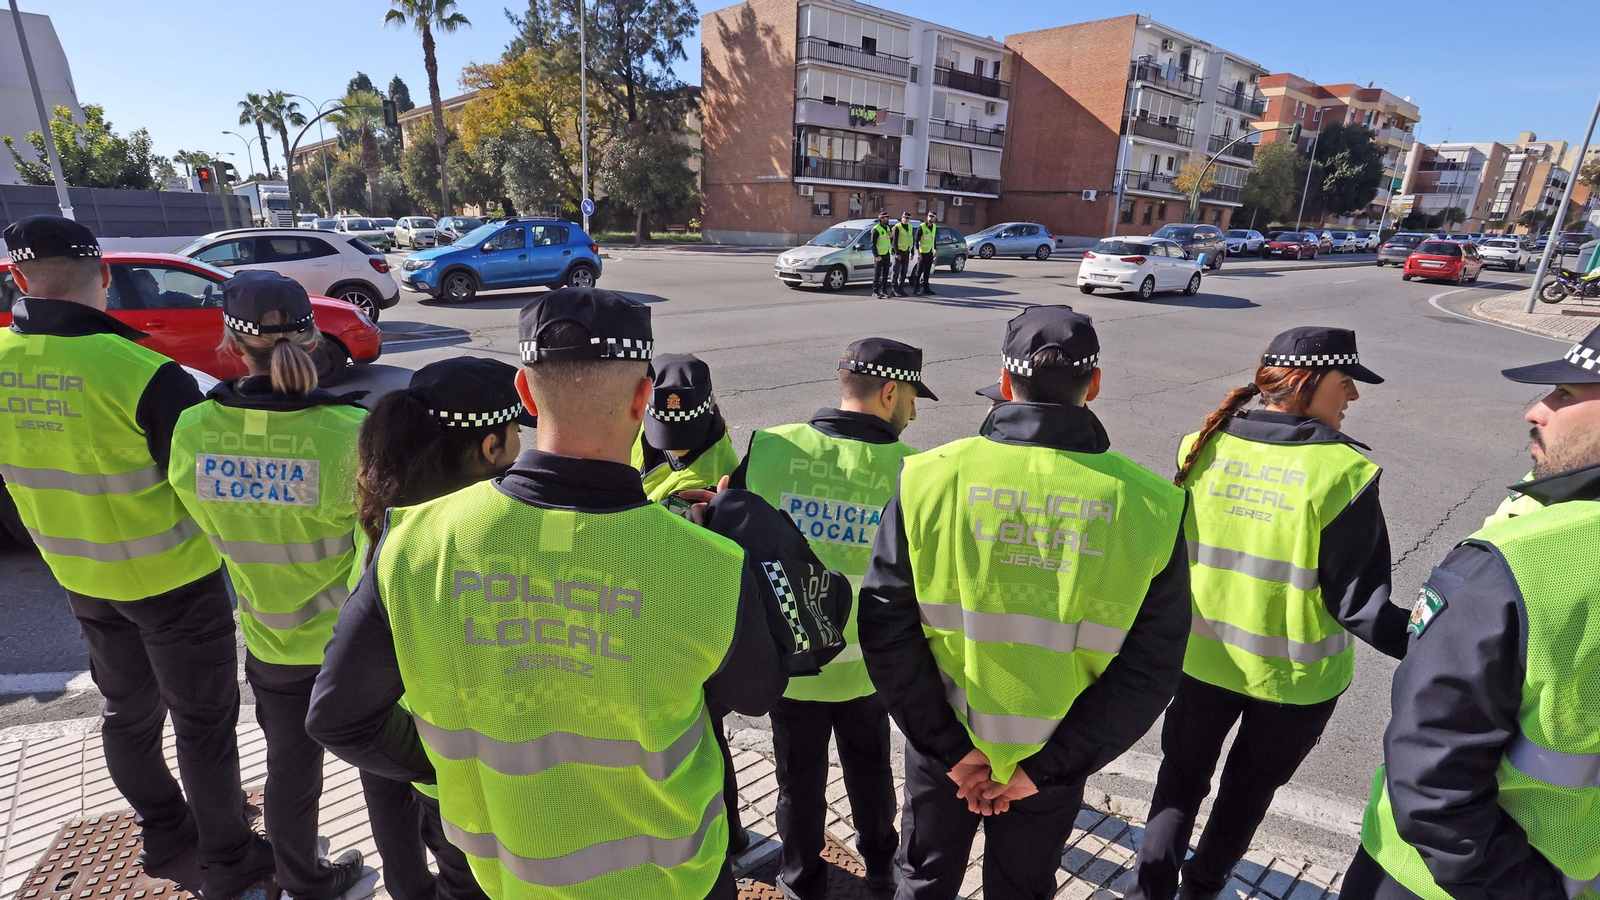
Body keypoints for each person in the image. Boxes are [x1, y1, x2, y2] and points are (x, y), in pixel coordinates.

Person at [307, 287, 844, 900]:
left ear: (527, 395)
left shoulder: (411, 540)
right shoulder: (709, 563)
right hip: (671, 883)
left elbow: (339, 717)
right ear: (644, 398)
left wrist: (461, 767)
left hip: (502, 875)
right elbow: (754, 693)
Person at [859, 307, 1191, 900]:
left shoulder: (928, 479)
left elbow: (885, 628)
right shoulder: (1153, 507)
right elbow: (1150, 671)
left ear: (1006, 383)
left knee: (925, 881)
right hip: (1053, 762)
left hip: (944, 750)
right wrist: (1045, 770)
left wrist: (953, 751)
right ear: (1093, 385)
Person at [0, 216, 268, 900]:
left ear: (21, 280)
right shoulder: (145, 374)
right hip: (174, 580)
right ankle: (232, 859)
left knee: (127, 710)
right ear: (106, 275)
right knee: (204, 724)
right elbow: (211, 488)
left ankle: (163, 829)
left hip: (79, 578)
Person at [1125, 326, 1410, 900]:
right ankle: (1199, 891)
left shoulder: (1200, 445)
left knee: (1178, 783)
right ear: (1307, 383)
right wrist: (1444, 642)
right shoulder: (1342, 474)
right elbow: (1358, 604)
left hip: (1201, 660)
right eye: (1346, 381)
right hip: (1293, 683)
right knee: (1245, 796)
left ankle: (1148, 891)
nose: (1352, 396)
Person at [1342, 326, 1600, 900]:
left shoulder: (1526, 559)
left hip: (1444, 880)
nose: (1537, 409)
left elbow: (1431, 773)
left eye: (1564, 394)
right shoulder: (1535, 529)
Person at [166, 271, 368, 900]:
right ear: (311, 336)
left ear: (230, 338)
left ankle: (304, 882)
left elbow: (203, 517)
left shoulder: (194, 431)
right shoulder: (349, 431)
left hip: (270, 643)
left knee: (289, 773)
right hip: (353, 649)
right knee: (384, 777)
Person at [728, 338, 937, 898]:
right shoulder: (916, 471)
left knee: (797, 783)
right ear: (889, 391)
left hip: (791, 661)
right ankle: (879, 868)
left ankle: (800, 882)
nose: (914, 412)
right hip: (871, 669)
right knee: (870, 772)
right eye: (912, 397)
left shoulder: (772, 447)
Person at [348, 356, 530, 900]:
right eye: (517, 431)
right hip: (478, 771)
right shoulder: (484, 535)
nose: (523, 444)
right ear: (490, 447)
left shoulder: (385, 515)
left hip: (419, 757)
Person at [632, 353, 739, 503]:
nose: (675, 444)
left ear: (709, 408)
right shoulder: (637, 426)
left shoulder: (708, 482)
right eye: (664, 426)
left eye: (684, 429)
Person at [911, 212, 939, 297]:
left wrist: (935, 250)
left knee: (927, 271)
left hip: (930, 252)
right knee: (919, 271)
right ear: (927, 217)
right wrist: (918, 253)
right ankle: (916, 289)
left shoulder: (934, 227)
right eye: (929, 216)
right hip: (922, 252)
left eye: (932, 217)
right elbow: (916, 240)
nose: (931, 218)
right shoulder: (922, 227)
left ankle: (926, 288)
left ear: (935, 218)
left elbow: (933, 239)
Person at [891, 212, 916, 297]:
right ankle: (894, 289)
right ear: (902, 218)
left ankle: (901, 289)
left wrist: (912, 252)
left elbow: (911, 240)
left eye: (907, 218)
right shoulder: (897, 227)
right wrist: (897, 253)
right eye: (904, 218)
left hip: (906, 251)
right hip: (899, 252)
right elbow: (894, 241)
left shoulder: (910, 227)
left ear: (910, 219)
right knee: (896, 271)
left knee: (904, 272)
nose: (905, 220)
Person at [871, 212, 894, 299]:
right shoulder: (876, 229)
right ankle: (875, 291)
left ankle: (884, 291)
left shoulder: (887, 228)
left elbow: (889, 240)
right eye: (886, 218)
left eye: (888, 217)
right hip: (879, 255)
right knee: (877, 274)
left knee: (885, 274)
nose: (888, 219)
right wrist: (876, 255)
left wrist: (891, 237)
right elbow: (872, 244)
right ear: (881, 218)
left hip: (886, 254)